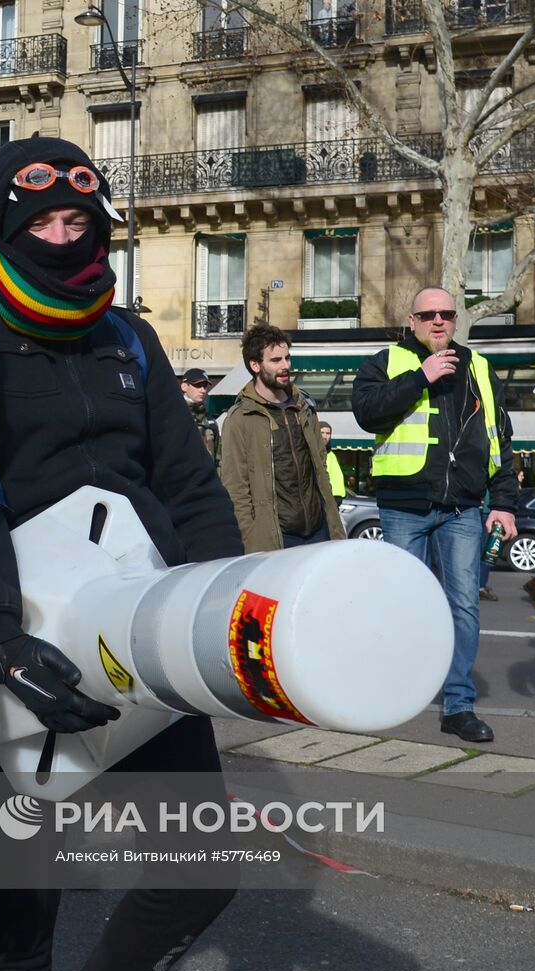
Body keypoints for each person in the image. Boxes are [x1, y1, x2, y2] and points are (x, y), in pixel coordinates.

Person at [0, 135, 243, 971]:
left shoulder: (131, 340)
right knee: (23, 917)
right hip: (15, 652)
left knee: (202, 868)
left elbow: (191, 486)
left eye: (77, 220)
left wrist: (224, 611)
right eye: (40, 222)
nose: (62, 238)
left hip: (144, 637)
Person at [352, 286, 518, 743]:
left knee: (463, 605)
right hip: (404, 506)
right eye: (429, 316)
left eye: (447, 314)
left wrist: (502, 502)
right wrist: (420, 377)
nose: (439, 322)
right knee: (400, 603)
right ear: (413, 320)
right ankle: (390, 690)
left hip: (463, 507)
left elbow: (500, 437)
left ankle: (458, 704)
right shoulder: (385, 362)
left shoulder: (479, 367)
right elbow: (366, 412)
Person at [219, 325, 345, 552]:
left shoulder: (303, 407)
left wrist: (333, 524)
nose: (285, 365)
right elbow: (236, 488)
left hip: (320, 531)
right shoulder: (240, 418)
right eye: (275, 360)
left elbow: (321, 467)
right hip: (276, 538)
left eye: (287, 358)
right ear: (255, 365)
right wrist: (253, 539)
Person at [180, 367, 219, 461]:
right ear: (184, 386)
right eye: (198, 385)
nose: (203, 390)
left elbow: (218, 458)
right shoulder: (174, 417)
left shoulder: (211, 422)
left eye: (205, 386)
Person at [320, 420, 346, 503]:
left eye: (328, 433)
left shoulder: (331, 454)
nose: (325, 436)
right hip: (325, 497)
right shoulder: (315, 453)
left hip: (334, 497)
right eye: (322, 433)